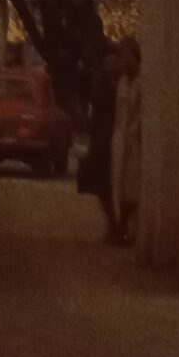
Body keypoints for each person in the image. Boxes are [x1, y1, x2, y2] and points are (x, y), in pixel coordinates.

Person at [79, 43, 120, 240]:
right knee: (102, 184)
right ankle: (112, 222)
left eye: (114, 63)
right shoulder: (101, 84)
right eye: (108, 63)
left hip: (117, 135)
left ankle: (119, 225)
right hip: (102, 138)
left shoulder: (123, 84)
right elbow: (95, 112)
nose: (111, 67)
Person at [111, 37, 142, 246]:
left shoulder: (143, 81)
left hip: (135, 139)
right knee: (120, 185)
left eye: (126, 55)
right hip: (121, 138)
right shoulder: (122, 82)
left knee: (134, 186)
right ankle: (122, 227)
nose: (123, 60)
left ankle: (129, 228)